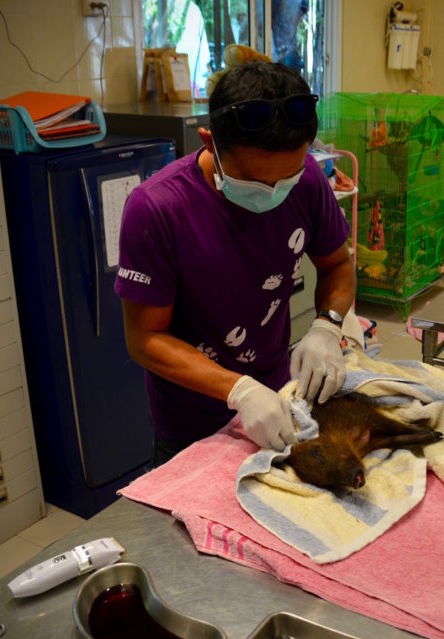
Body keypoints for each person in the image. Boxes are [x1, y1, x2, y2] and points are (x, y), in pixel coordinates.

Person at [114, 61, 355, 466]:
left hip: (279, 397)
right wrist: (238, 390)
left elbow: (336, 265)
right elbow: (144, 338)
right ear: (209, 142)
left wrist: (327, 325)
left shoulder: (309, 180)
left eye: (286, 179)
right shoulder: (157, 209)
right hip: (191, 425)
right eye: (254, 182)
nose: (273, 193)